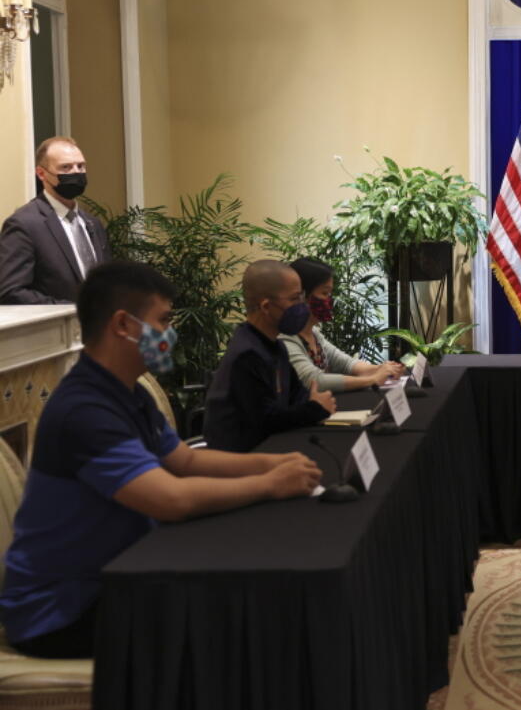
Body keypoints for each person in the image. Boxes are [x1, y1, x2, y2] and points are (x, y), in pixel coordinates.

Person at [0, 261, 322, 658]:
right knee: (247, 621)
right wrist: (270, 484)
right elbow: (170, 499)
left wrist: (273, 462)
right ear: (123, 325)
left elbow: (185, 461)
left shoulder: (126, 392)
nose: (171, 332)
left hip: (118, 578)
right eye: (164, 320)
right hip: (63, 612)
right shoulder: (82, 410)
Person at [203, 260, 337, 452]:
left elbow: (297, 395)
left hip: (273, 447)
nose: (303, 307)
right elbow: (264, 421)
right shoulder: (246, 355)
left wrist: (310, 404)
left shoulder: (276, 346)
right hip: (242, 461)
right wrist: (313, 409)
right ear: (266, 306)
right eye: (294, 299)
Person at [0, 136, 112, 304]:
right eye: (65, 167)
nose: (76, 172)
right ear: (41, 173)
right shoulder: (24, 224)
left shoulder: (92, 224)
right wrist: (67, 311)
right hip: (58, 327)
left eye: (80, 166)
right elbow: (12, 292)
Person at [280, 257, 404, 391]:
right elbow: (314, 381)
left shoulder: (313, 334)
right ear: (301, 296)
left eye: (330, 293)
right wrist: (372, 380)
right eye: (324, 293)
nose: (329, 300)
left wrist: (382, 369)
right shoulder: (284, 338)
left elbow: (347, 364)